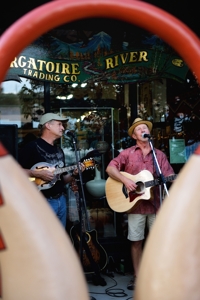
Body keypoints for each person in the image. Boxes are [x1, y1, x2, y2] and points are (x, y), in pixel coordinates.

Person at [106, 117, 175, 290]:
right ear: (135, 135)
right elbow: (110, 168)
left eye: (146, 128)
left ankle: (157, 276)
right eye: (140, 129)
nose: (144, 130)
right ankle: (137, 276)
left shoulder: (159, 155)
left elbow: (169, 176)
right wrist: (126, 181)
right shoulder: (127, 153)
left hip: (156, 205)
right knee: (136, 241)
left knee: (157, 241)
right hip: (134, 205)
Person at [18, 112, 85, 228]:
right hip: (42, 202)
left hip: (61, 201)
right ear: (48, 126)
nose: (63, 128)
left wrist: (74, 174)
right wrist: (36, 173)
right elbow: (14, 171)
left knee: (59, 240)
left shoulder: (59, 151)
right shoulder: (32, 147)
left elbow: (63, 180)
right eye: (59, 124)